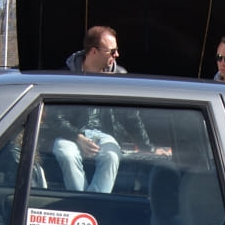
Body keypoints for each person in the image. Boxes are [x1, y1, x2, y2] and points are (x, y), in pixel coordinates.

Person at [46, 26, 150, 192]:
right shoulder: (66, 76)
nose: (117, 55)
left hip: (105, 135)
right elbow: (54, 117)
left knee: (111, 155)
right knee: (65, 153)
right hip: (72, 134)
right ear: (94, 51)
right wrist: (77, 137)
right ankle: (83, 203)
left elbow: (131, 116)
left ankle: (90, 204)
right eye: (112, 51)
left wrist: (147, 147)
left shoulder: (119, 76)